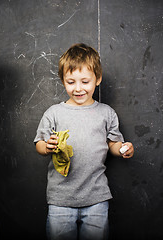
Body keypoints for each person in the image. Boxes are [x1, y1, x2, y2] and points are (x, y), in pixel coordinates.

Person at [34, 43, 134, 240]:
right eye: (71, 82)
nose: (78, 89)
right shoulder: (54, 113)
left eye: (85, 82)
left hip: (96, 196)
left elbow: (112, 144)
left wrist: (122, 148)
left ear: (98, 79)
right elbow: (39, 144)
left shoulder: (106, 113)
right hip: (60, 198)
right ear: (63, 81)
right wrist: (48, 146)